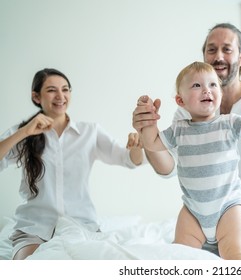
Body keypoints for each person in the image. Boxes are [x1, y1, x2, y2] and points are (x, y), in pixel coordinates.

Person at [132, 23, 241, 260]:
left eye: (227, 49)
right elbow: (166, 166)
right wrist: (147, 127)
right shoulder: (184, 119)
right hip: (196, 213)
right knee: (177, 258)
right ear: (181, 99)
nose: (218, 56)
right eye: (211, 49)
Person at [0, 68, 144, 260]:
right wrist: (24, 132)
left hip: (82, 226)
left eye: (65, 89)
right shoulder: (24, 132)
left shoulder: (90, 132)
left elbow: (130, 160)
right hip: (35, 227)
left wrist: (137, 146)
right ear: (36, 97)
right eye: (52, 90)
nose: (60, 96)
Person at [139, 61, 241, 260]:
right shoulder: (179, 128)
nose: (206, 90)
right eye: (196, 85)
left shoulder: (229, 122)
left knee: (235, 255)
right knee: (180, 256)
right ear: (180, 100)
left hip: (228, 207)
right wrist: (148, 121)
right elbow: (152, 142)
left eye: (213, 85)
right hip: (192, 210)